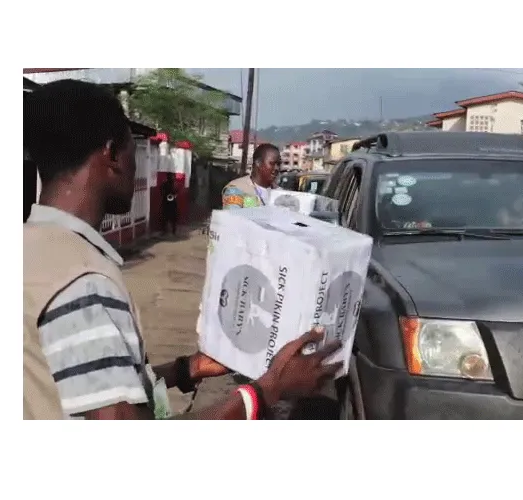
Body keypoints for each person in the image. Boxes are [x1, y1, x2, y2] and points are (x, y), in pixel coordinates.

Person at [23, 79, 342, 420]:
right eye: (133, 151)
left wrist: (186, 369)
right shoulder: (83, 281)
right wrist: (267, 390)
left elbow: (85, 380)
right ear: (113, 153)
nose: (136, 166)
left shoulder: (31, 246)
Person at [222, 143, 281, 209]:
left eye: (278, 164)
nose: (276, 168)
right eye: (272, 163)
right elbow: (231, 217)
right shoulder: (236, 189)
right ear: (258, 163)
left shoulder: (280, 193)